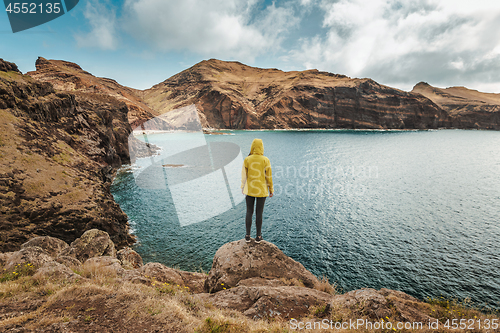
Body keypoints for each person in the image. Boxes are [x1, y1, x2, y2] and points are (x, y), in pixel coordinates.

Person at [241, 138, 273, 244]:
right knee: (259, 213)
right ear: (261, 147)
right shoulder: (265, 160)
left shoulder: (247, 159)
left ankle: (247, 236)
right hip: (262, 191)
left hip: (249, 190)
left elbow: (243, 175)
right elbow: (269, 177)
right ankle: (259, 236)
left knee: (249, 212)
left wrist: (242, 186)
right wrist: (271, 189)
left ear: (252, 147)